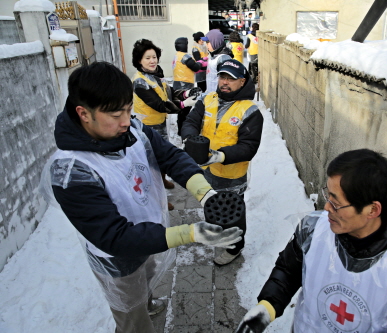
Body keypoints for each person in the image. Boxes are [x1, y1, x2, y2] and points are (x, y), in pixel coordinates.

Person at [39, 62, 243, 333]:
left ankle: (146, 300)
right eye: (115, 114)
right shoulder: (72, 171)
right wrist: (191, 233)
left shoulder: (131, 129)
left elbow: (170, 155)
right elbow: (115, 237)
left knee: (146, 276)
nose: (126, 120)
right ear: (83, 114)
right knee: (133, 321)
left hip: (151, 233)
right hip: (118, 258)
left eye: (128, 109)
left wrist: (206, 195)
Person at [235, 149, 387, 333]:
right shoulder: (313, 228)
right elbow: (288, 272)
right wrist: (267, 307)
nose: (326, 208)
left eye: (336, 203)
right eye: (328, 197)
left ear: (373, 210)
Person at [181, 59, 263, 266]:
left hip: (231, 175)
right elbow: (191, 121)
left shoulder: (250, 111)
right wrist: (190, 139)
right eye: (222, 77)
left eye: (231, 79)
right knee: (214, 207)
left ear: (242, 82)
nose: (225, 82)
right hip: (207, 171)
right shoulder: (208, 99)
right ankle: (218, 232)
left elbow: (248, 147)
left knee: (232, 213)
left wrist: (219, 156)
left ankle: (234, 247)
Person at [131, 38, 198, 199]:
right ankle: (157, 197)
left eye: (154, 57)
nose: (152, 61)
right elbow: (159, 105)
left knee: (160, 156)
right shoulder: (140, 81)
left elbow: (169, 92)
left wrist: (185, 94)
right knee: (151, 162)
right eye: (147, 58)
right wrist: (183, 105)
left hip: (159, 124)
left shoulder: (155, 76)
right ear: (139, 60)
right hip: (146, 127)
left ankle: (162, 180)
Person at [201, 29, 234, 93]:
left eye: (208, 42)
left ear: (215, 42)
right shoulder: (213, 56)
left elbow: (227, 82)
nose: (206, 45)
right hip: (211, 96)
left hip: (218, 97)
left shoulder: (223, 58)